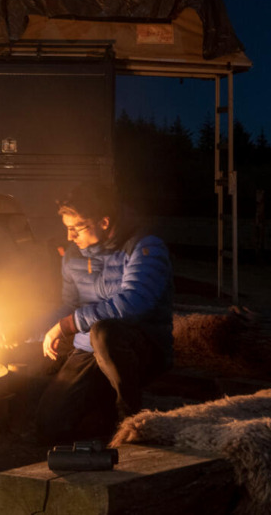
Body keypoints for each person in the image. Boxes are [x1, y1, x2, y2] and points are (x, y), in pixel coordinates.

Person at [34, 182, 173, 441]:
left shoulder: (144, 247)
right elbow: (70, 305)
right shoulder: (73, 256)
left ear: (104, 222)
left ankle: (130, 418)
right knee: (49, 425)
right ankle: (101, 407)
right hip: (88, 351)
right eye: (67, 229)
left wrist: (67, 325)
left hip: (140, 348)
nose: (69, 237)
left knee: (105, 331)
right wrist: (26, 329)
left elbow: (134, 302)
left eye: (75, 229)